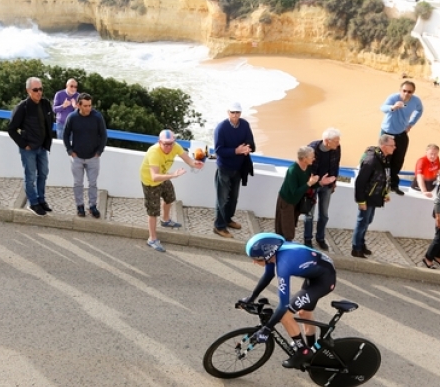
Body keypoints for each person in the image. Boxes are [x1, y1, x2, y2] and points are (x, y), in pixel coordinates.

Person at [239, 232, 336, 369]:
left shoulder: (284, 265)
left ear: (267, 255)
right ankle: (313, 351)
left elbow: (283, 305)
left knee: (285, 315)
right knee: (303, 312)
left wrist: (266, 329)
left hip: (323, 282)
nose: (254, 262)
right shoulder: (274, 253)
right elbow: (268, 275)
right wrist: (252, 297)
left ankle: (304, 351)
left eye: (257, 258)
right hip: (317, 274)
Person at [140, 129, 203, 252]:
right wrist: (173, 175)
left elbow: (189, 160)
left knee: (169, 197)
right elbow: (154, 177)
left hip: (164, 176)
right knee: (153, 211)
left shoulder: (176, 147)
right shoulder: (154, 152)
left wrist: (196, 164)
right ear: (159, 142)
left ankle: (165, 220)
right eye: (165, 144)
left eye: (171, 144)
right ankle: (152, 239)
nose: (169, 147)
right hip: (150, 182)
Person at [8, 77, 54, 216]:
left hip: (42, 147)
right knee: (30, 176)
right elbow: (11, 129)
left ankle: (41, 199)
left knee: (43, 173)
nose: (39, 92)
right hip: (29, 148)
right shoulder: (22, 107)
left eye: (40, 89)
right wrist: (24, 144)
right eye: (35, 90)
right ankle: (33, 203)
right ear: (28, 91)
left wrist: (47, 141)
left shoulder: (46, 104)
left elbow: (49, 122)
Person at [213, 102, 255, 239]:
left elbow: (250, 141)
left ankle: (228, 219)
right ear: (228, 112)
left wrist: (247, 147)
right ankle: (219, 226)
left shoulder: (245, 125)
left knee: (233, 197)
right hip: (225, 167)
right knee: (222, 198)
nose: (235, 115)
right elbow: (219, 150)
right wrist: (236, 151)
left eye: (237, 112)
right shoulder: (221, 128)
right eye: (233, 112)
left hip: (239, 167)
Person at [63, 92, 107, 218]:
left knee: (93, 183)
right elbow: (66, 134)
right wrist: (70, 151)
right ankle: (80, 206)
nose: (88, 108)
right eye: (85, 106)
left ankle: (92, 206)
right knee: (78, 183)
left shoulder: (97, 117)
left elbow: (103, 135)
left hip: (93, 157)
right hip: (77, 157)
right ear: (78, 105)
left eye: (90, 105)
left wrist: (99, 152)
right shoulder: (72, 117)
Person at [275, 146, 332, 241]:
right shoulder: (293, 171)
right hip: (287, 201)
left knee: (291, 225)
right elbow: (295, 192)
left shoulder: (308, 167)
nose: (314, 159)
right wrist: (309, 183)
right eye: (312, 157)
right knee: (286, 230)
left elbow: (309, 185)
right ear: (304, 158)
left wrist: (321, 183)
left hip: (296, 202)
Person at [352, 135, 395, 258]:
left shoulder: (384, 158)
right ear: (384, 146)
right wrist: (361, 201)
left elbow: (384, 177)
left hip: (375, 196)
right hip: (367, 197)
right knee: (362, 222)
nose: (394, 147)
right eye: (392, 145)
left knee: (367, 221)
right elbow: (360, 182)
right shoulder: (371, 160)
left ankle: (361, 243)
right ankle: (356, 248)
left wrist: (385, 193)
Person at [380, 81, 423, 196]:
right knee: (384, 159)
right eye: (404, 91)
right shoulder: (393, 97)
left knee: (398, 159)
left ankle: (393, 185)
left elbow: (420, 110)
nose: (406, 93)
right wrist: (393, 107)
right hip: (387, 133)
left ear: (413, 92)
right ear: (400, 90)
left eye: (410, 92)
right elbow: (382, 108)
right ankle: (382, 184)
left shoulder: (415, 101)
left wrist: (411, 124)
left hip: (401, 133)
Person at [304, 128, 341, 250]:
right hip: (313, 186)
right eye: (336, 141)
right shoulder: (311, 149)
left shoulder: (337, 148)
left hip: (327, 186)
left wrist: (333, 182)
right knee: (309, 214)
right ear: (327, 141)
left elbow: (336, 165)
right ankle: (307, 239)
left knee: (324, 214)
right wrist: (315, 182)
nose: (338, 143)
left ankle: (320, 238)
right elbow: (305, 167)